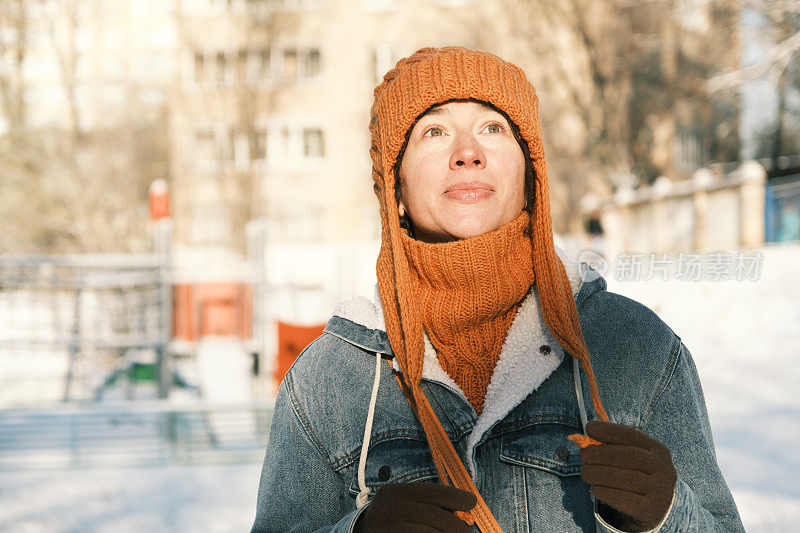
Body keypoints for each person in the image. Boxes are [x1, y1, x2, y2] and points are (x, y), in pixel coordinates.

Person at [250, 46, 745, 533]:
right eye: (434, 131)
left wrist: (667, 515)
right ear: (395, 187)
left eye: (493, 128)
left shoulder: (633, 345)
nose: (468, 153)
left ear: (531, 175)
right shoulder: (328, 380)